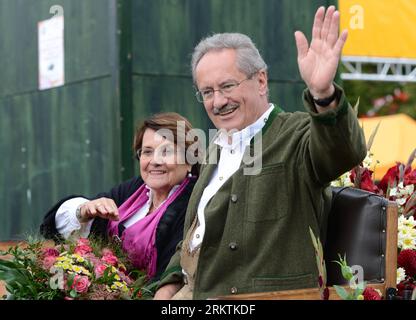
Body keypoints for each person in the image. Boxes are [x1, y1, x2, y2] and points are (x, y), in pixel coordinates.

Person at [154, 6, 367, 299]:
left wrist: (323, 94)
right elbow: (197, 231)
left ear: (262, 81)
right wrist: (169, 284)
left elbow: (344, 152)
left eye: (227, 86)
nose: (218, 101)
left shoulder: (297, 133)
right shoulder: (215, 147)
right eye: (207, 92)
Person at [40, 112, 199, 281]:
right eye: (147, 152)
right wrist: (84, 210)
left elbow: (171, 274)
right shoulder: (136, 189)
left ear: (189, 160)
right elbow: (53, 226)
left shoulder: (194, 202)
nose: (155, 161)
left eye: (166, 152)